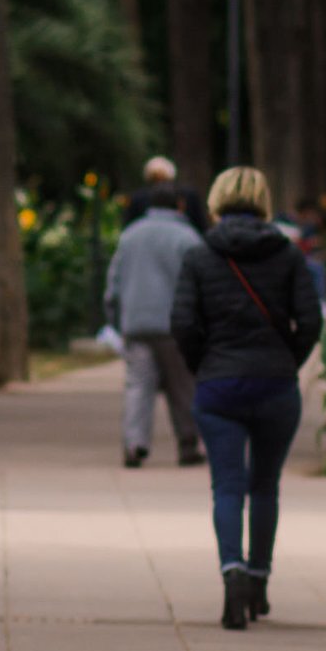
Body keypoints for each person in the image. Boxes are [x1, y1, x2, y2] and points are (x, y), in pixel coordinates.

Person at [171, 166, 321, 631]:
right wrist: (287, 362)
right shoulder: (288, 256)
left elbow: (181, 323)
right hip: (275, 385)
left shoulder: (199, 256)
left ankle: (231, 569)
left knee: (228, 486)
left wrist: (205, 365)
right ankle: (259, 580)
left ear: (215, 200)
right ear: (264, 200)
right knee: (265, 485)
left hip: (219, 385)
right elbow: (311, 321)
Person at [104, 183, 205, 469]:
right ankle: (189, 444)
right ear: (180, 206)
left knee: (138, 386)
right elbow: (200, 284)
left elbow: (114, 283)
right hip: (176, 325)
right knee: (183, 386)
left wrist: (115, 319)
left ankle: (135, 444)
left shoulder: (130, 236)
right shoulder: (188, 238)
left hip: (136, 323)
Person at [123, 155, 210, 232]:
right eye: (156, 180)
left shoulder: (188, 196)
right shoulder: (138, 198)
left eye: (163, 180)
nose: (160, 186)